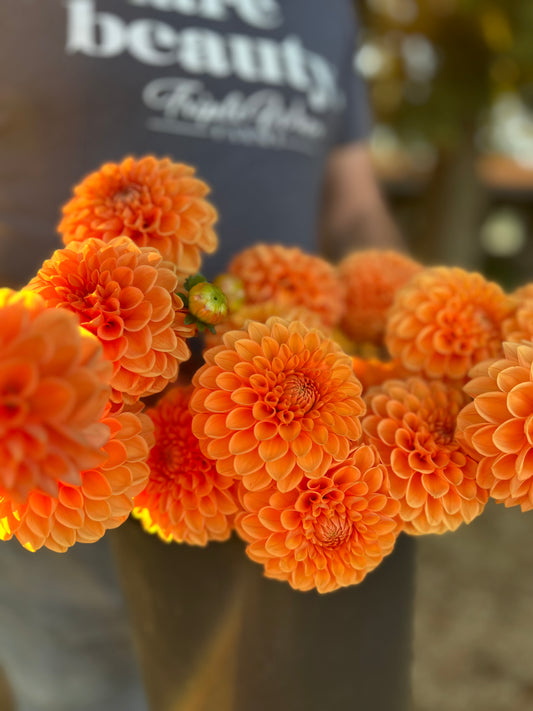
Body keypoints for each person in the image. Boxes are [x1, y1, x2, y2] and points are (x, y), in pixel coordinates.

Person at [0, 2, 413, 710]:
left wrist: (418, 321)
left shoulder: (324, 12)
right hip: (46, 442)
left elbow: (353, 206)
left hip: (275, 464)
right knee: (83, 690)